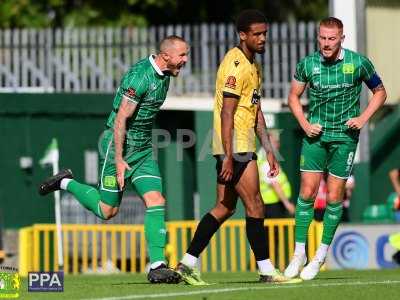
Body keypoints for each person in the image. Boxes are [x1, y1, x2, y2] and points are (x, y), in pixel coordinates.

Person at [38, 35, 189, 284]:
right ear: (166, 56)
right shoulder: (140, 77)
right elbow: (120, 120)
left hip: (142, 149)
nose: (185, 60)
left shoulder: (165, 76)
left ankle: (157, 266)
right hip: (117, 146)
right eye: (182, 55)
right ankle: (65, 182)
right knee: (108, 210)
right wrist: (119, 159)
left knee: (156, 200)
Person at [175, 9, 300, 285]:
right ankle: (267, 270)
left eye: (265, 33)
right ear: (242, 35)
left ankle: (187, 264)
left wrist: (268, 148)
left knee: (224, 208)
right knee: (255, 204)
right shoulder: (235, 65)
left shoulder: (254, 65)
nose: (263, 38)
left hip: (243, 145)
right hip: (235, 146)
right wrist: (229, 157)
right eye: (257, 34)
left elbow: (254, 110)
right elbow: (227, 114)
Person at [284, 17, 387, 281]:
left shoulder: (358, 63)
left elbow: (380, 92)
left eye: (332, 38)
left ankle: (320, 257)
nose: (326, 43)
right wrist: (305, 124)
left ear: (342, 38)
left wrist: (363, 119)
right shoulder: (307, 64)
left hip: (344, 138)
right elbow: (293, 97)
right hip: (315, 137)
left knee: (333, 198)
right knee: (306, 193)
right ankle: (299, 254)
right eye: (322, 38)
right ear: (317, 37)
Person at [257, 132, 295, 218]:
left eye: (277, 142)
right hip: (272, 206)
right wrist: (287, 204)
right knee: (274, 231)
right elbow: (274, 183)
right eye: (274, 142)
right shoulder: (265, 159)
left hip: (274, 204)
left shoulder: (267, 157)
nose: (278, 145)